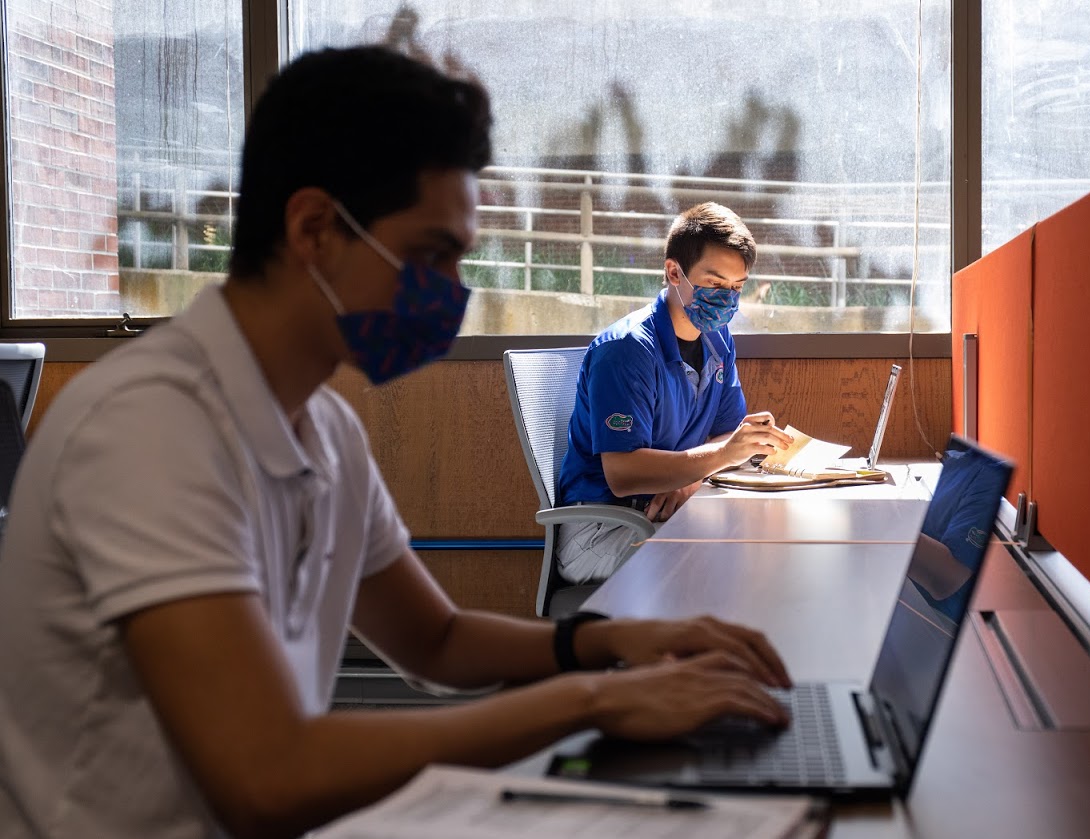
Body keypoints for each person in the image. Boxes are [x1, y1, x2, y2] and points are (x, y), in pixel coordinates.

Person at [0, 47, 792, 839]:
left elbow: (436, 639)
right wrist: (595, 696)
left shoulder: (325, 432)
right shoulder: (151, 425)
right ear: (314, 228)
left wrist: (618, 640)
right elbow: (265, 776)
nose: (448, 293)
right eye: (428, 256)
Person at [556, 203, 794, 583]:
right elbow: (623, 473)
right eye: (715, 284)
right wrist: (721, 455)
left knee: (773, 538)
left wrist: (692, 478)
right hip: (606, 527)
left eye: (737, 287)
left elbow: (725, 435)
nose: (727, 298)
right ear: (673, 272)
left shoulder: (718, 340)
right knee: (730, 563)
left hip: (674, 507)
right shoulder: (626, 351)